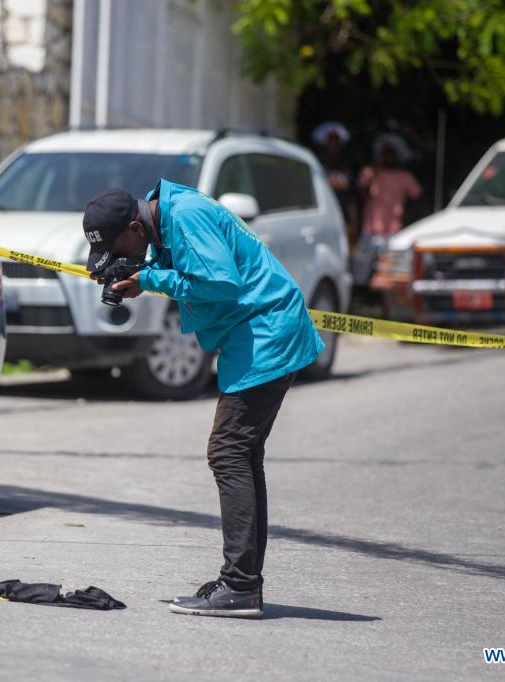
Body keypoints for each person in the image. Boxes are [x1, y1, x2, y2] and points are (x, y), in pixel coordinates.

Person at [81, 181, 324, 618]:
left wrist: (151, 276)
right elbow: (196, 270)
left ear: (137, 226)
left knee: (228, 452)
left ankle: (241, 586)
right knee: (242, 455)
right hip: (258, 334)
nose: (125, 260)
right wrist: (143, 275)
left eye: (122, 250)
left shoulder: (185, 215)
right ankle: (242, 579)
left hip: (266, 333)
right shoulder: (168, 221)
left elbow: (220, 283)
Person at [352, 133, 422, 285]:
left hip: (393, 228)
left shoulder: (405, 176)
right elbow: (360, 193)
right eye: (385, 153)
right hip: (370, 226)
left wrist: (406, 217)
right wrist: (374, 172)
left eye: (391, 153)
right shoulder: (370, 172)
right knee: (361, 262)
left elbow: (417, 197)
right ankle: (359, 290)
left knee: (393, 264)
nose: (388, 156)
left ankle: (390, 292)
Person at [312, 121, 360, 247]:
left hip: (342, 217)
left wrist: (354, 221)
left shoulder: (346, 166)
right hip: (321, 218)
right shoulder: (316, 164)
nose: (333, 144)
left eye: (336, 141)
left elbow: (351, 196)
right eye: (330, 140)